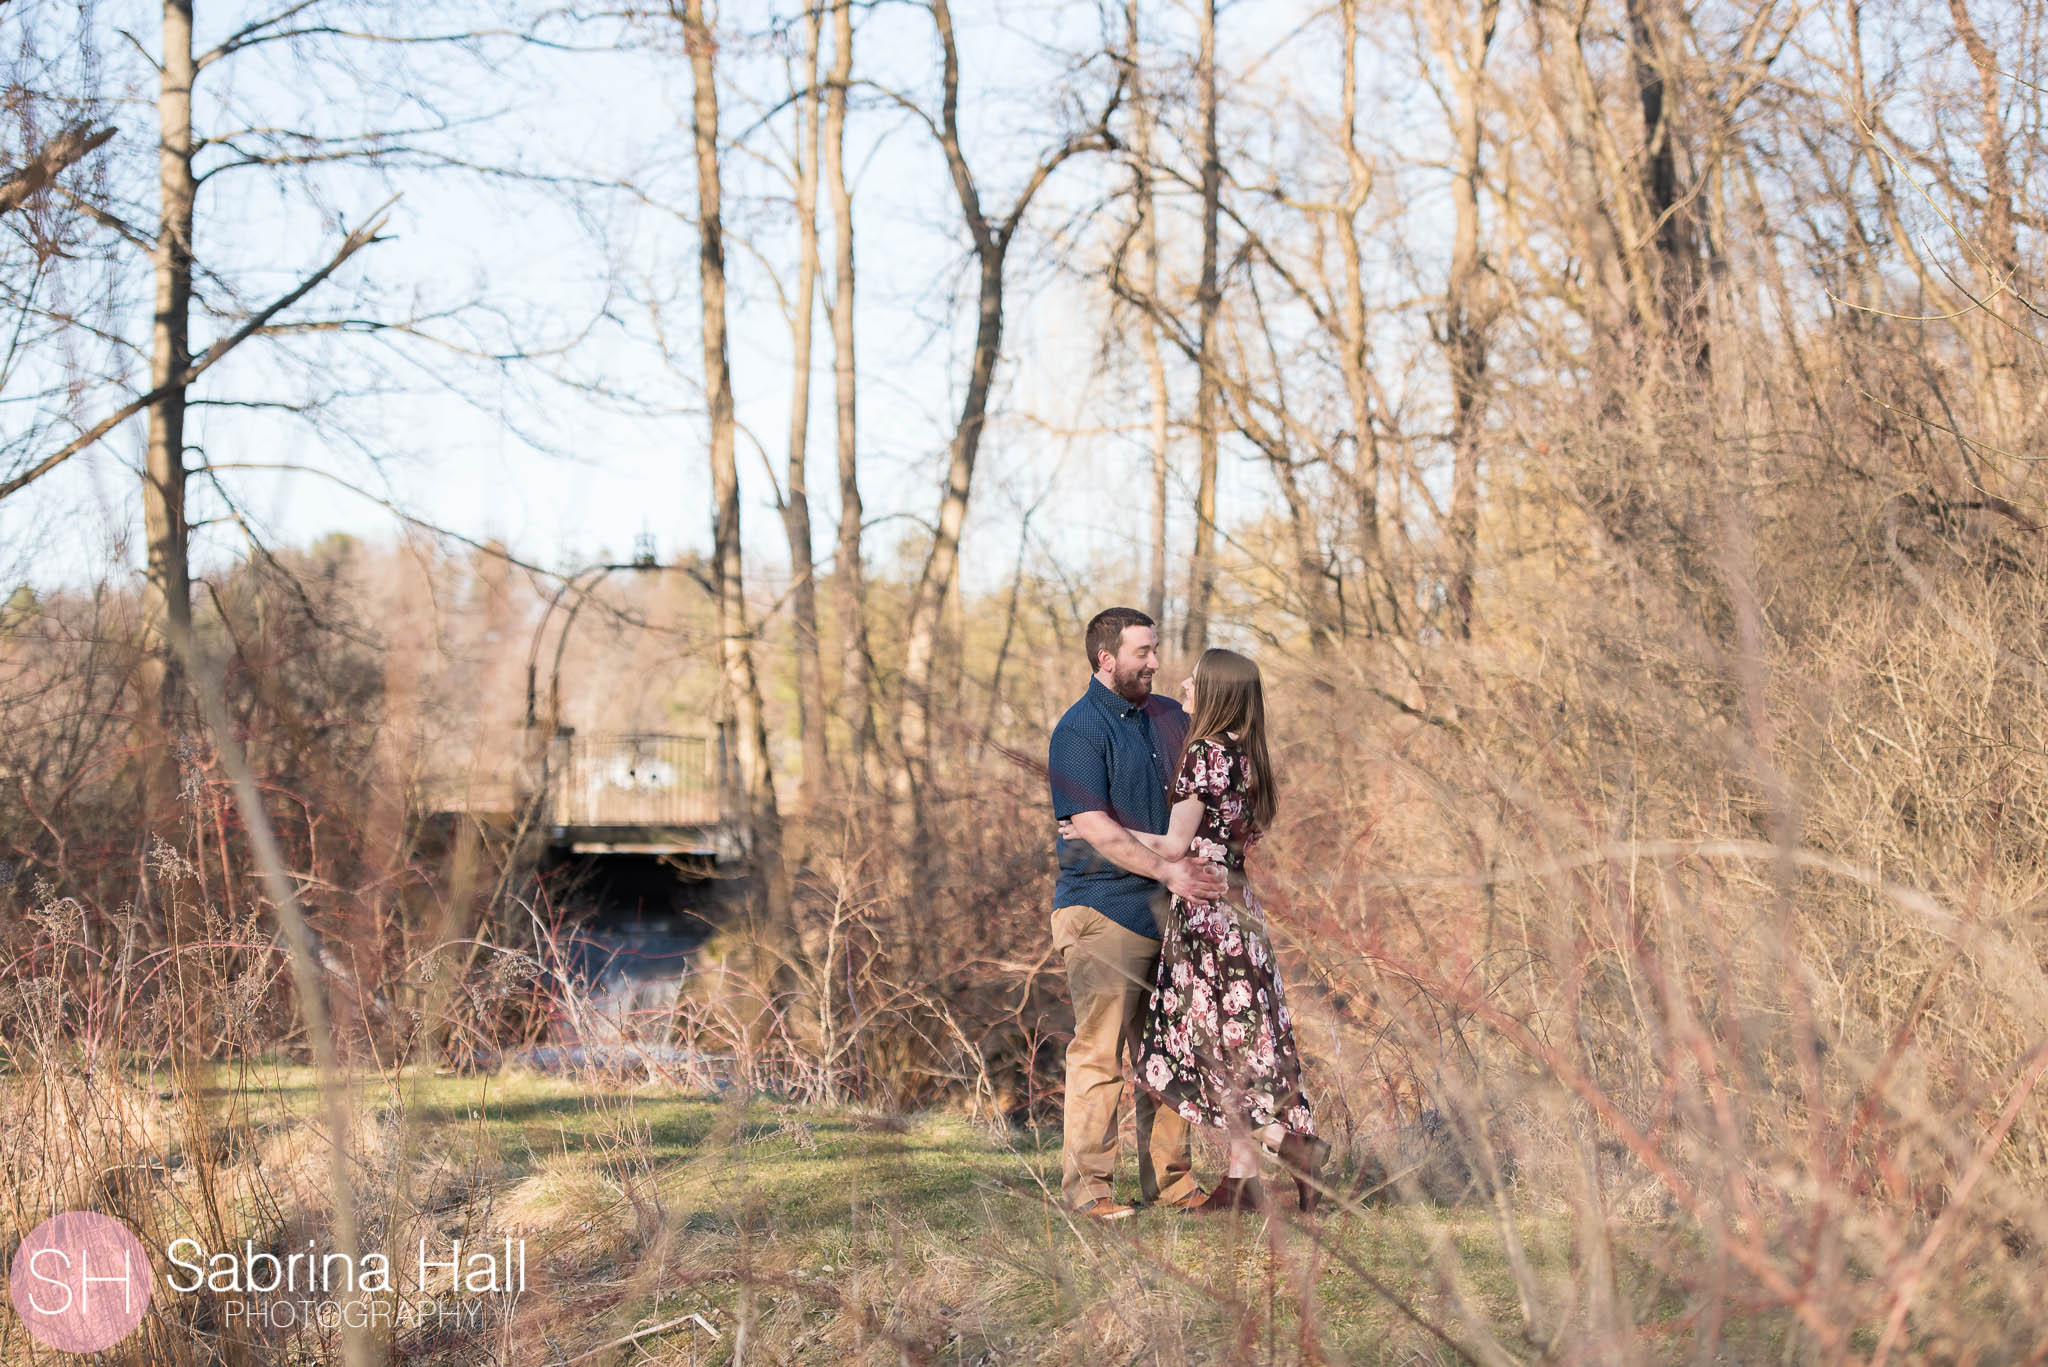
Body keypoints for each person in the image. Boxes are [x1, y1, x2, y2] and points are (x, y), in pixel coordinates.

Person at [1121, 648, 1328, 1213]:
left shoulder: (1204, 755)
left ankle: (1290, 1144)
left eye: (1196, 678)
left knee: (1195, 1048)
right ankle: (1243, 1180)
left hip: (1206, 918)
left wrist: (1099, 833)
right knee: (1240, 1045)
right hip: (1242, 914)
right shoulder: (1249, 759)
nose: (1183, 683)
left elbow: (1174, 846)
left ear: (1216, 693)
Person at [1046, 607, 1230, 1219]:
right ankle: (1090, 1189)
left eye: (1155, 650)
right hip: (1101, 910)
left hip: (1170, 915)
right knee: (1100, 1053)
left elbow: (1208, 791)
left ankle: (1171, 1184)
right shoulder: (1078, 731)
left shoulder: (1173, 718)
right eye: (1143, 652)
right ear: (1107, 658)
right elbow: (1092, 828)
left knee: (1170, 1051)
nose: (1154, 662)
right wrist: (1169, 865)